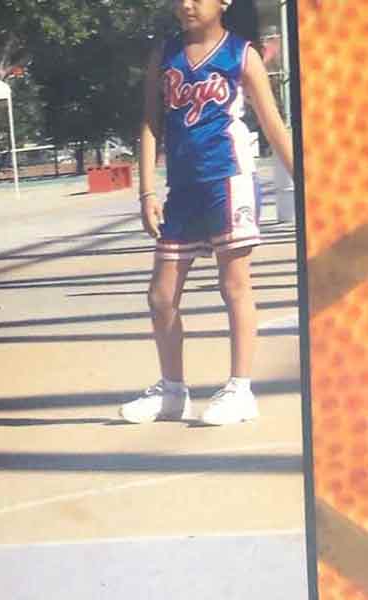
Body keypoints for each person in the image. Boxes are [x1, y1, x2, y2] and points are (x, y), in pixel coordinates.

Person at [119, 0, 294, 426]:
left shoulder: (241, 53)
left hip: (228, 180)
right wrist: (146, 192)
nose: (187, 5)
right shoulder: (165, 53)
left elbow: (272, 123)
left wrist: (308, 185)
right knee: (161, 296)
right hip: (182, 189)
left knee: (233, 285)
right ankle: (173, 390)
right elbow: (150, 124)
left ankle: (240, 387)